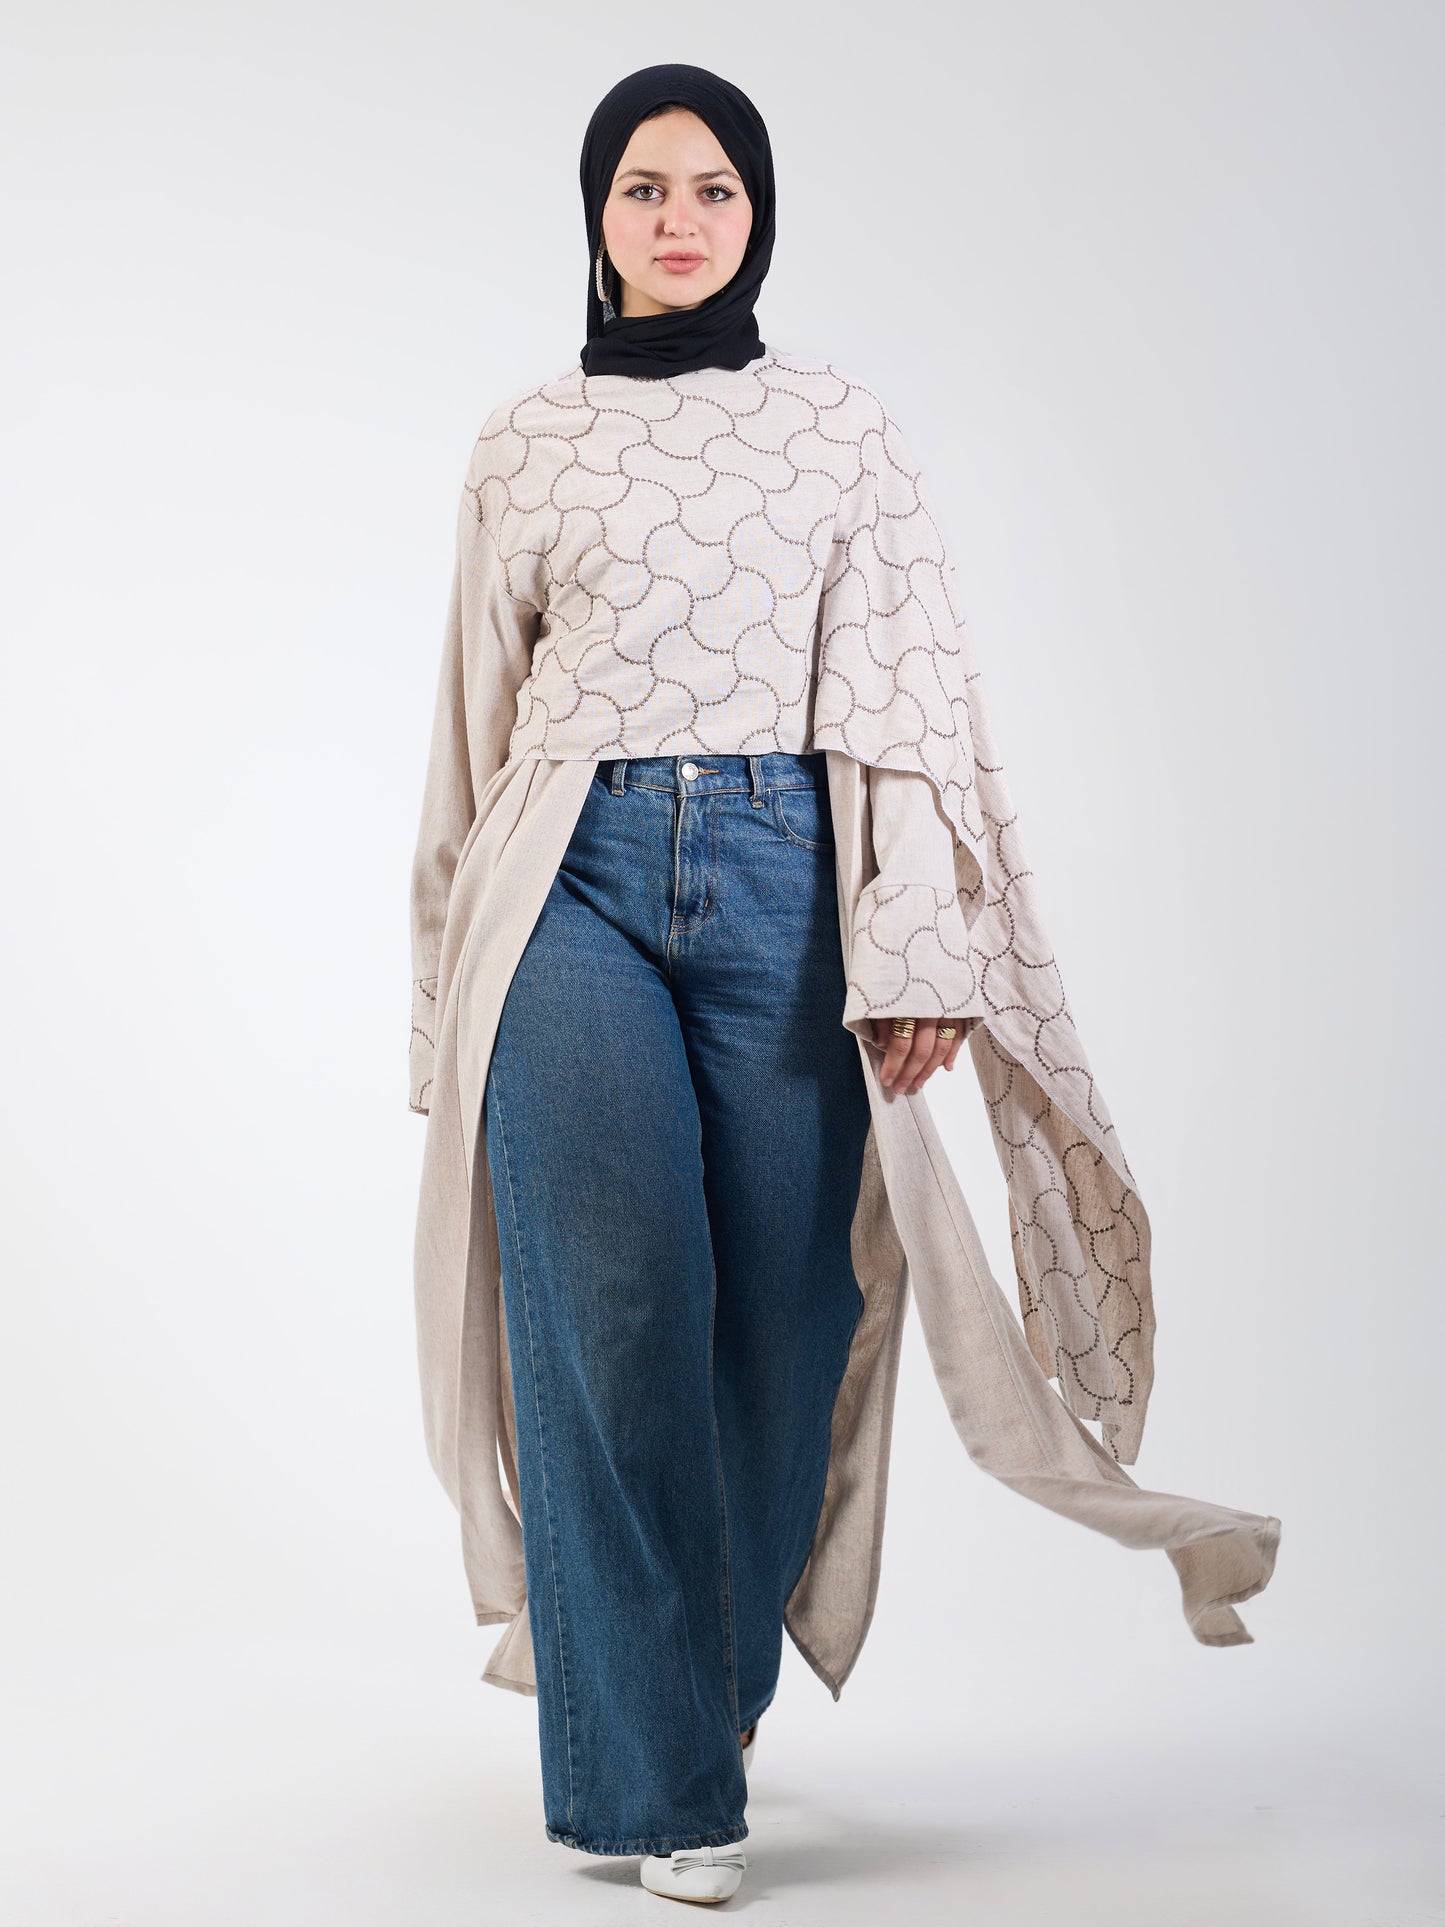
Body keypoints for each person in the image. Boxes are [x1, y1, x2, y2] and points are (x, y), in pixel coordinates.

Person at [407, 60, 1281, 1908]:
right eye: (642, 189)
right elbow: (470, 731)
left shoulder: (839, 431)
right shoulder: (524, 439)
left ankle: (700, 1697)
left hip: (786, 879)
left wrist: (914, 940)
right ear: (595, 217)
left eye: (712, 189)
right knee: (615, 1309)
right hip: (558, 885)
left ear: (757, 215)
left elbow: (905, 699)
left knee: (789, 1322)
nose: (678, 221)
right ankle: (658, 1786)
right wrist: (438, 1008)